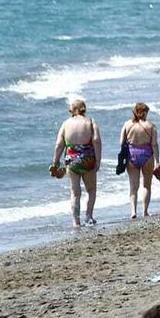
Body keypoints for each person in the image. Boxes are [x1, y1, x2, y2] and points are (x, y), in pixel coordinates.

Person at [53, 96, 101, 229]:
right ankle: (89, 216)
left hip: (72, 161)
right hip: (88, 159)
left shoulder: (66, 124)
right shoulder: (91, 122)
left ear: (73, 110)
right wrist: (98, 160)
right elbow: (96, 140)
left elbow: (59, 145)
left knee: (75, 192)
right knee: (91, 189)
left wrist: (55, 162)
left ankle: (76, 222)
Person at [120, 102, 160, 219]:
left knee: (133, 186)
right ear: (145, 112)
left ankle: (133, 211)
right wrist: (157, 162)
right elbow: (154, 144)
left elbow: (121, 142)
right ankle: (145, 211)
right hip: (147, 155)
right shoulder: (151, 126)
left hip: (131, 155)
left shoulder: (127, 124)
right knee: (146, 185)